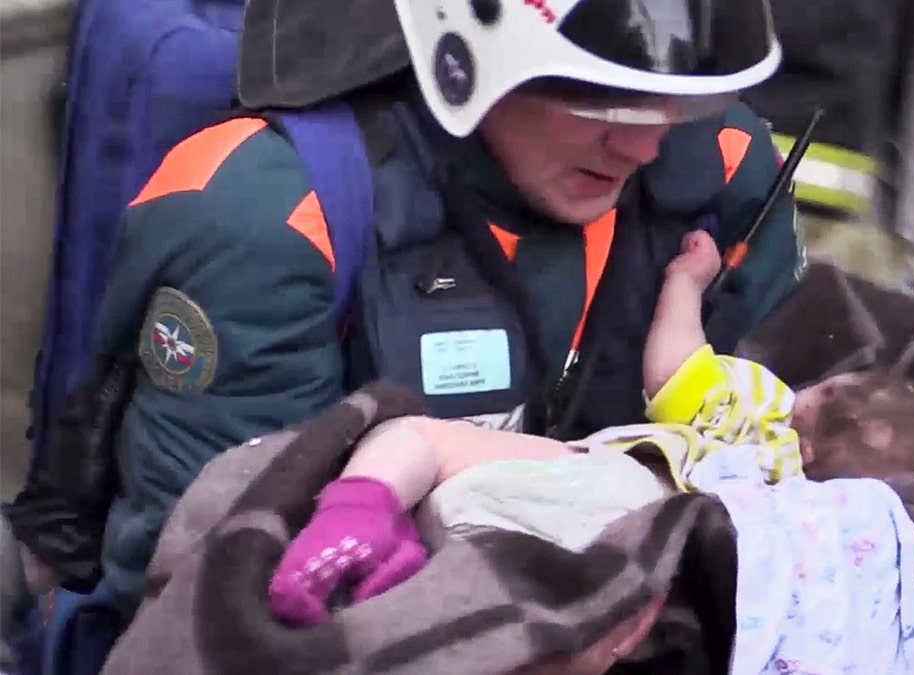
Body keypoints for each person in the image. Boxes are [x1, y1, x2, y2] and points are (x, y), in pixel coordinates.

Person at [3, 0, 803, 623]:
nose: (645, 146)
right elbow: (203, 592)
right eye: (601, 97)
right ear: (464, 56)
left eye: (672, 98)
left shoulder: (721, 173)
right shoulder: (279, 217)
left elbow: (804, 491)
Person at [269, 229, 914, 674]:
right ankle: (402, 572)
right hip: (621, 559)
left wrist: (686, 282)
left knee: (421, 436)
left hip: (626, 495)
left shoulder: (762, 415)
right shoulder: (826, 548)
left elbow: (674, 370)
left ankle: (358, 512)